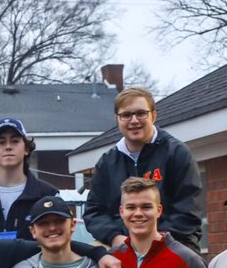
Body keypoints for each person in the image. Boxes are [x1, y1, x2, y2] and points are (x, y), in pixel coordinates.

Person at [83, 88, 203, 253]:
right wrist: (115, 237)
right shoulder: (107, 163)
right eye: (126, 115)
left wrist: (153, 240)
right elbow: (94, 212)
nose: (134, 121)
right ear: (117, 119)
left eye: (141, 113)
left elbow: (188, 211)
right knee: (93, 258)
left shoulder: (177, 153)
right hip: (122, 243)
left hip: (172, 241)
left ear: (153, 116)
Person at [0, 118, 58, 241]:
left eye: (15, 141)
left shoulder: (48, 195)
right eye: (1, 142)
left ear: (26, 149)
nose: (8, 147)